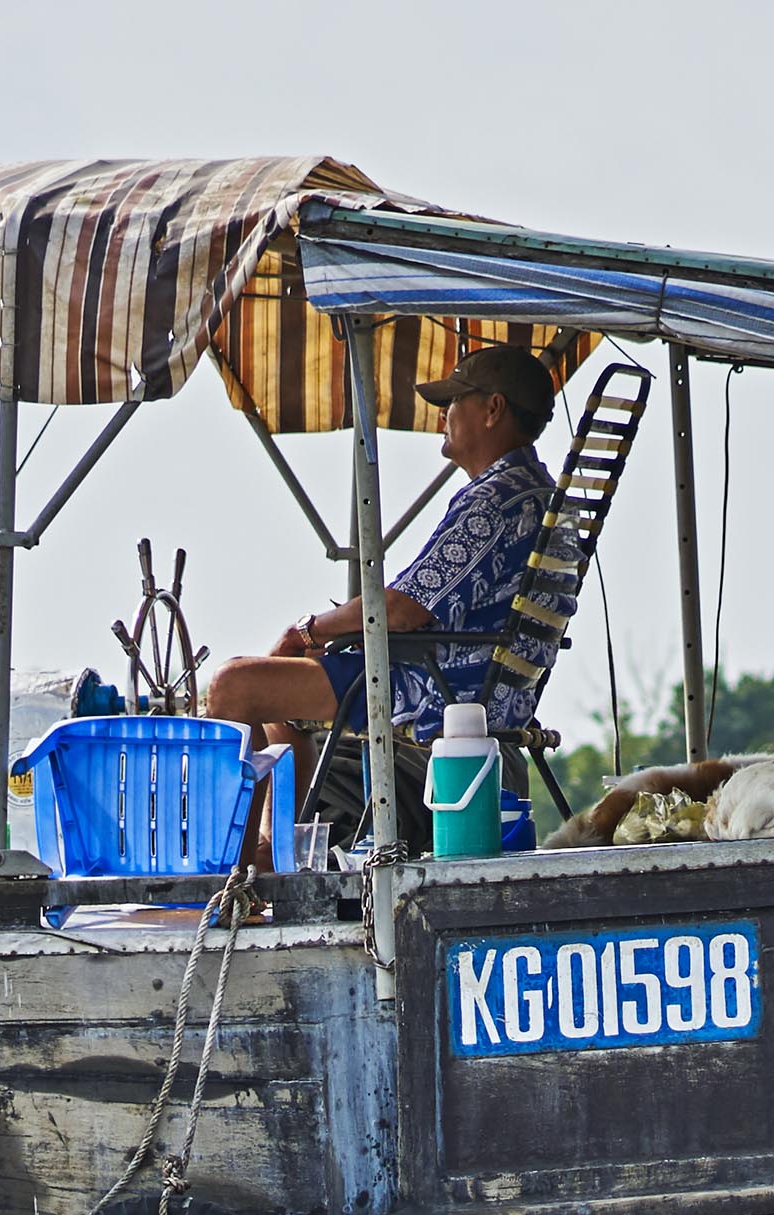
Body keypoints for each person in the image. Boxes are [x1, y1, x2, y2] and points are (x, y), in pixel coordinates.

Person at [203, 343, 559, 844]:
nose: (444, 413)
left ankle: (243, 867)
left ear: (493, 409)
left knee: (232, 686)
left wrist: (306, 630)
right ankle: (275, 847)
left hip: (436, 686)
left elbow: (401, 607)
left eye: (455, 400)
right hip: (471, 683)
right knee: (278, 698)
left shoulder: (494, 501)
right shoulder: (538, 493)